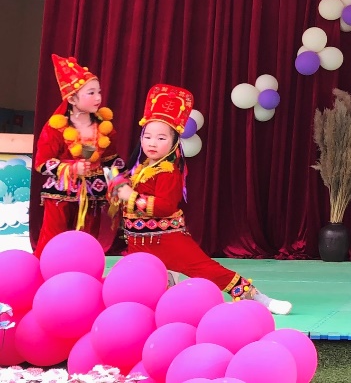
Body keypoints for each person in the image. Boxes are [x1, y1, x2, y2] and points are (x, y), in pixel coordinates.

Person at [109, 84, 292, 315]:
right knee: (140, 281)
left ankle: (258, 298)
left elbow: (165, 206)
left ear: (174, 142)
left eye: (161, 137)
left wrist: (131, 196)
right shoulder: (141, 168)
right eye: (147, 136)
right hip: (139, 243)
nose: (152, 143)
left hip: (167, 241)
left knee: (207, 270)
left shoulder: (168, 172)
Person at [33, 55, 122, 256]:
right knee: (53, 239)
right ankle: (46, 270)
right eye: (91, 93)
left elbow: (111, 160)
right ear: (72, 99)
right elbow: (41, 163)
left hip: (93, 193)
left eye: (99, 92)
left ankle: (83, 271)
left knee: (86, 241)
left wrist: (120, 182)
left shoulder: (104, 127)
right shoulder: (55, 128)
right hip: (61, 195)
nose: (98, 98)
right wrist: (71, 167)